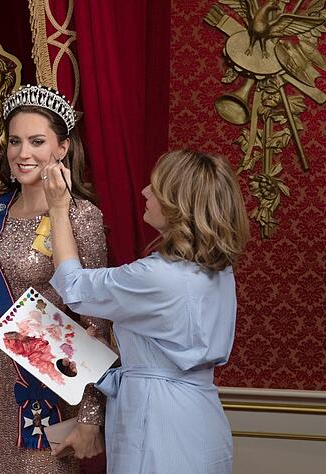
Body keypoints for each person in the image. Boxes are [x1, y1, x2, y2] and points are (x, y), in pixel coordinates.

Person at [44, 149, 250, 473]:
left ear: (177, 203)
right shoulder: (218, 272)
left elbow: (73, 287)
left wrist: (57, 209)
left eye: (155, 187)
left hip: (159, 425)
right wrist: (116, 348)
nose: (144, 192)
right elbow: (173, 344)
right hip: (202, 417)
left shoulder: (157, 276)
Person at [0, 84, 111, 473]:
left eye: (37, 141)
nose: (23, 153)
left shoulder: (82, 216)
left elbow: (96, 322)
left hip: (54, 382)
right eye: (15, 141)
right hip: (0, 373)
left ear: (62, 149)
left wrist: (89, 416)